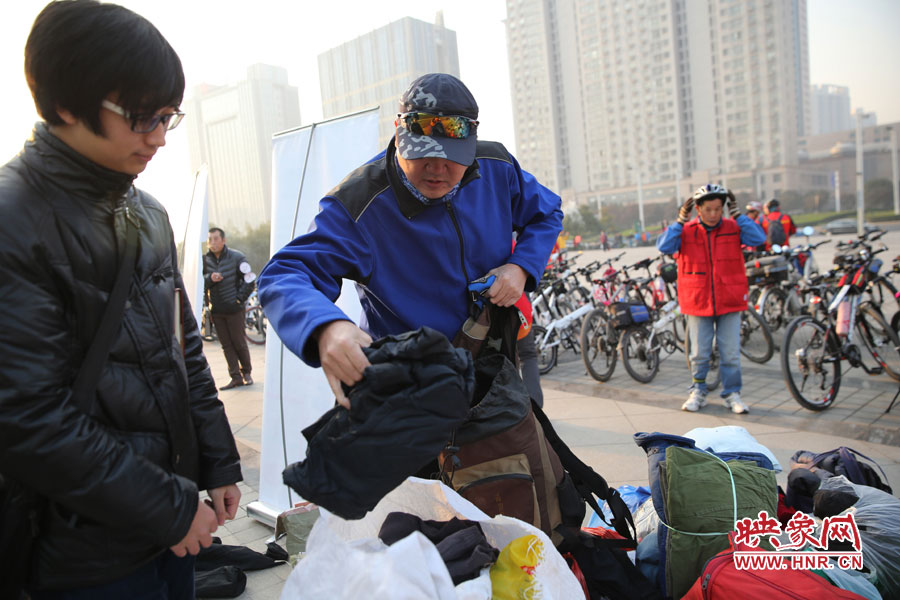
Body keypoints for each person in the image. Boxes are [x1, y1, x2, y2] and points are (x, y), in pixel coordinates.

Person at [0, 2, 242, 598]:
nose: (159, 138)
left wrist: (218, 460)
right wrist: (167, 505)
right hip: (82, 548)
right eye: (140, 118)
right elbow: (27, 418)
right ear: (64, 104)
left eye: (167, 116)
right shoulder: (14, 223)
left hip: (174, 523)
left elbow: (184, 353)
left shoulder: (150, 214)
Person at [258, 73, 563, 408]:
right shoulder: (360, 203)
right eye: (422, 155)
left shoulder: (497, 167)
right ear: (398, 131)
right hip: (410, 387)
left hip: (492, 367)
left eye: (451, 158)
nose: (437, 170)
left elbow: (546, 213)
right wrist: (326, 326)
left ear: (471, 143)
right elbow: (285, 274)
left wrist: (521, 267)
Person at [656, 184, 766, 414]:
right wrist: (680, 220)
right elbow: (664, 246)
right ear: (698, 209)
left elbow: (758, 238)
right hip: (697, 300)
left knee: (730, 353)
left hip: (730, 298)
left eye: (719, 209)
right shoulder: (686, 231)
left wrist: (737, 215)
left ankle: (732, 393)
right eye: (708, 209)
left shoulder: (733, 227)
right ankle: (698, 391)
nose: (714, 214)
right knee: (699, 353)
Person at [204, 227, 255, 389]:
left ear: (223, 240)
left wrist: (239, 299)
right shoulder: (204, 261)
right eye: (210, 239)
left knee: (239, 342)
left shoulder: (237, 257)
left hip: (234, 309)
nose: (212, 243)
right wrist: (209, 278)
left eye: (215, 239)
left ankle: (246, 372)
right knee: (226, 345)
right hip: (217, 310)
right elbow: (201, 282)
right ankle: (235, 377)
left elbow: (249, 280)